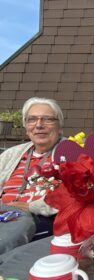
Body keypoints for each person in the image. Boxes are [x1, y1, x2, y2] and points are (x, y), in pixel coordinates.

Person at [0, 97, 64, 239]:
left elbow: (72, 196)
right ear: (26, 128)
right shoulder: (11, 154)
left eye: (47, 119)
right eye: (32, 119)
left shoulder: (70, 152)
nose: (39, 125)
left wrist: (31, 207)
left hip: (41, 221)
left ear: (59, 127)